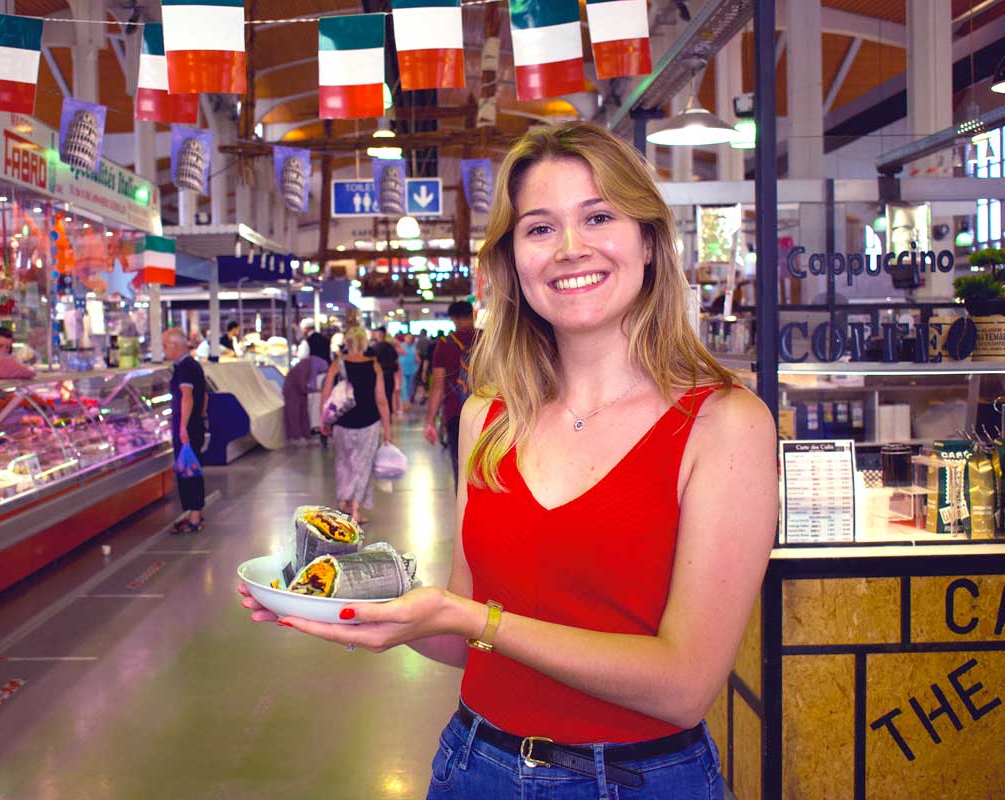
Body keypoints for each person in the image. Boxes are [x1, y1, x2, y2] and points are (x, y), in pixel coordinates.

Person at [241, 121, 777, 799]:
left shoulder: (724, 423)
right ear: (512, 261)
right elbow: (464, 633)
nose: (570, 249)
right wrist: (358, 607)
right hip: (473, 763)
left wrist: (477, 620)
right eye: (540, 228)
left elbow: (684, 686)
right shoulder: (488, 419)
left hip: (637, 780)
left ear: (647, 239)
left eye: (599, 216)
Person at [318, 326, 391, 524]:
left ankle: (344, 502)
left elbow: (326, 394)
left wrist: (323, 420)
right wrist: (388, 430)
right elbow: (382, 400)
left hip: (343, 422)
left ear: (347, 343)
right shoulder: (374, 366)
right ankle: (356, 509)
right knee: (363, 465)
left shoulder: (337, 365)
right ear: (364, 343)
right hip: (370, 422)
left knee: (343, 462)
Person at [424, 302, 477, 479]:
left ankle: (464, 505)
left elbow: (438, 386)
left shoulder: (445, 344)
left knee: (461, 468)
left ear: (453, 318)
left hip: (456, 412)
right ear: (473, 314)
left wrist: (430, 421)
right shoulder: (488, 339)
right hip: (489, 412)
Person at [163, 327, 209, 534]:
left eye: (165, 345)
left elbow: (186, 396)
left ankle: (194, 517)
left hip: (187, 429)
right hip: (194, 425)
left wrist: (183, 427)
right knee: (192, 469)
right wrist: (199, 418)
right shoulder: (193, 365)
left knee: (188, 471)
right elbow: (205, 397)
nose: (164, 350)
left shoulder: (184, 368)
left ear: (175, 345)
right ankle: (195, 512)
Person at [283, 353, 328, 445]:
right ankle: (295, 437)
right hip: (292, 391)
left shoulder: (310, 365)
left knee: (303, 414)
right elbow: (302, 385)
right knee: (294, 414)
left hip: (299, 392)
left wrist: (315, 390)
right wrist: (316, 390)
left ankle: (305, 436)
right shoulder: (305, 366)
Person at [369, 326, 399, 417]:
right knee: (388, 395)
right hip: (390, 374)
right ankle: (388, 415)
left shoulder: (374, 348)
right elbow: (395, 360)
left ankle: (380, 416)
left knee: (379, 396)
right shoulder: (390, 347)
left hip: (379, 375)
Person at [398, 333, 418, 411]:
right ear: (405, 338)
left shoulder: (413, 347)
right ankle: (405, 403)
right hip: (402, 369)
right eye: (408, 337)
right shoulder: (401, 345)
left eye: (411, 338)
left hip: (411, 370)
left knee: (409, 387)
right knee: (404, 386)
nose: (409, 339)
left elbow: (417, 358)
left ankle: (406, 402)